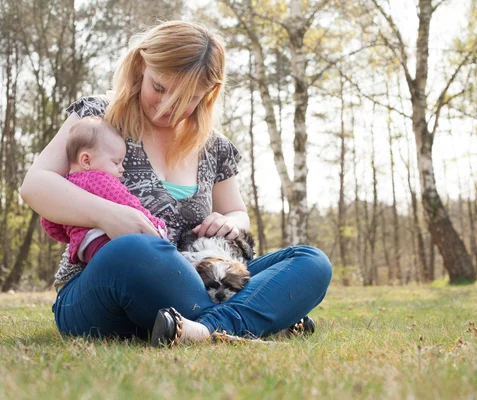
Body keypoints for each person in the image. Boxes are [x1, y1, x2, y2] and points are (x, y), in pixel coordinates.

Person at [20, 20, 331, 345]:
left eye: (188, 98)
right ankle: (258, 316)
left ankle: (200, 330)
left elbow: (238, 214)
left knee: (311, 262)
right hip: (104, 283)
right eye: (160, 88)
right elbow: (36, 185)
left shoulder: (216, 146)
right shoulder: (99, 116)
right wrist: (107, 215)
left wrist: (228, 222)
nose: (169, 106)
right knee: (136, 250)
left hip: (199, 277)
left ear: (208, 94)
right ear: (142, 66)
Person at [40, 117, 168, 264]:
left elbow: (49, 222)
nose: (122, 169)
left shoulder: (64, 185)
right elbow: (128, 203)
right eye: (116, 162)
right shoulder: (100, 180)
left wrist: (73, 236)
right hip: (102, 241)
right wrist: (155, 225)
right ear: (86, 161)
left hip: (84, 247)